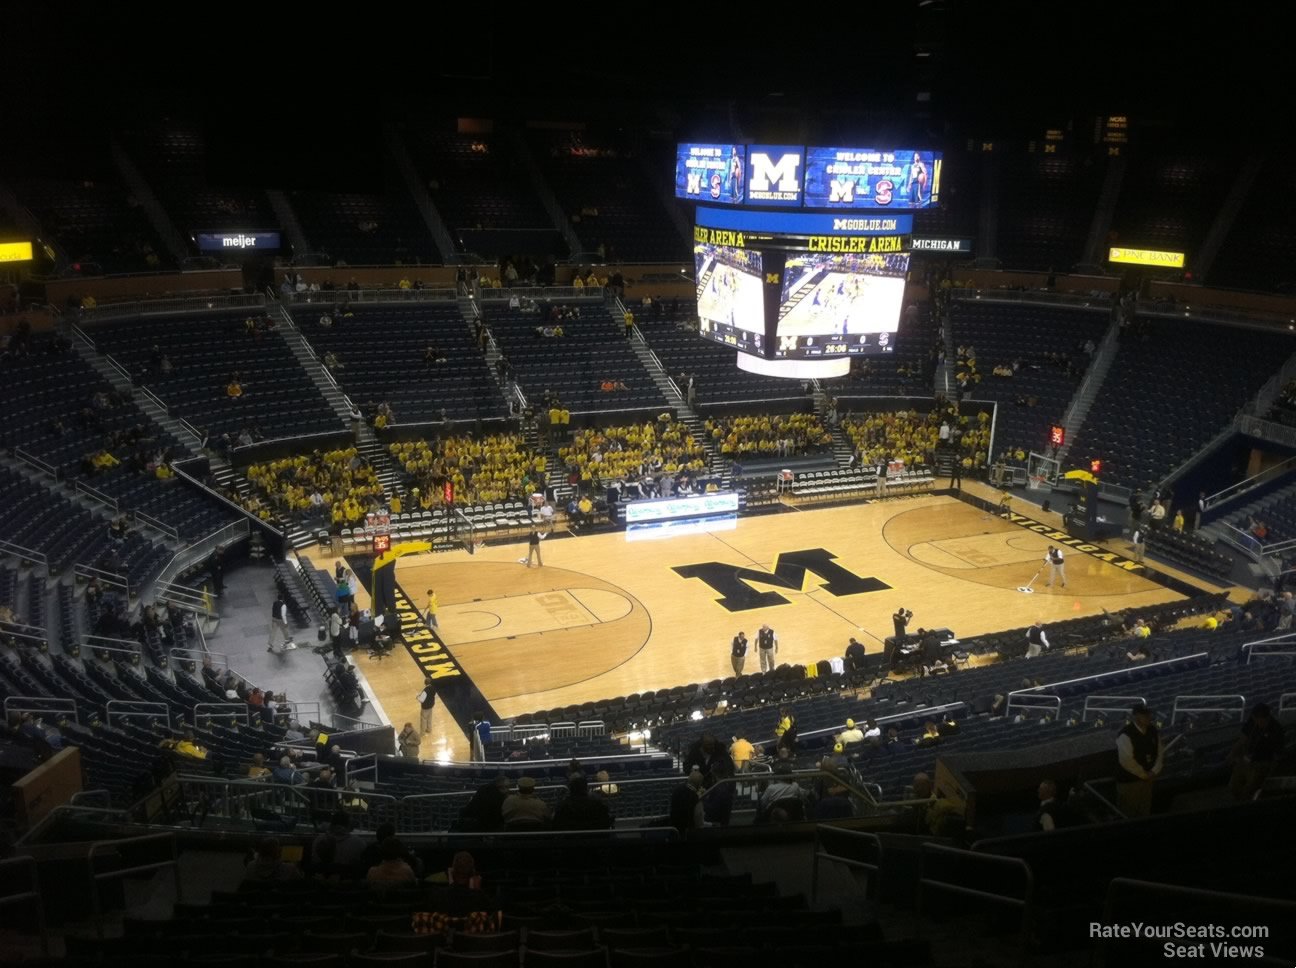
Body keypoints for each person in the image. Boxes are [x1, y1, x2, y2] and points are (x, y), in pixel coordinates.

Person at [1115, 705, 1163, 818]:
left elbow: (1160, 753)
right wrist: (1144, 774)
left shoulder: (1153, 730)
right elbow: (1126, 761)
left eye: (1148, 715)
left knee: (1144, 811)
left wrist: (1153, 772)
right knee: (1127, 814)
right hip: (1129, 782)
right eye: (1144, 715)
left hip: (1148, 780)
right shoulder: (1126, 734)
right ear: (1136, 717)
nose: (1148, 717)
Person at [1228, 703, 1283, 801]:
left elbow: (1277, 755)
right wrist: (1232, 755)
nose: (1258, 721)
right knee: (1234, 786)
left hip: (1262, 763)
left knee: (1249, 788)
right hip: (1247, 760)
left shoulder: (1276, 729)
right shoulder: (1251, 723)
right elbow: (1242, 740)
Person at [669, 769, 705, 833]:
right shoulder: (694, 797)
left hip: (674, 827)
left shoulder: (677, 789)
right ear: (699, 785)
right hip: (688, 831)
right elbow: (698, 820)